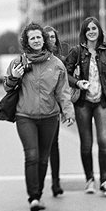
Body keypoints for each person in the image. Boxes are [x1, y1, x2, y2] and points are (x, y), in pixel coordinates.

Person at [4, 22, 74, 211]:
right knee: (32, 155)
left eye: (38, 37)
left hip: (50, 117)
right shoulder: (19, 62)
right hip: (25, 115)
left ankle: (39, 194)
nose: (36, 40)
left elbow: (63, 92)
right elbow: (8, 87)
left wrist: (68, 111)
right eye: (31, 37)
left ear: (44, 39)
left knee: (44, 158)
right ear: (26, 41)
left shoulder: (56, 64)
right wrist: (13, 77)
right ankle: (33, 197)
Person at [64, 16, 106, 197]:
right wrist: (77, 83)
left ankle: (104, 181)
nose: (91, 31)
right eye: (88, 29)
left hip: (102, 102)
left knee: (104, 142)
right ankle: (89, 179)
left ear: (99, 31)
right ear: (84, 32)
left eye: (94, 28)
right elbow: (65, 74)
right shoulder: (76, 52)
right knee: (86, 144)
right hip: (83, 103)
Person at [43, 25, 68, 197]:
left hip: (54, 110)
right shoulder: (36, 58)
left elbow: (65, 84)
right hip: (36, 109)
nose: (51, 39)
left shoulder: (60, 60)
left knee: (54, 144)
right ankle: (37, 183)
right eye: (48, 37)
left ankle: (56, 182)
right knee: (40, 148)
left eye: (53, 37)